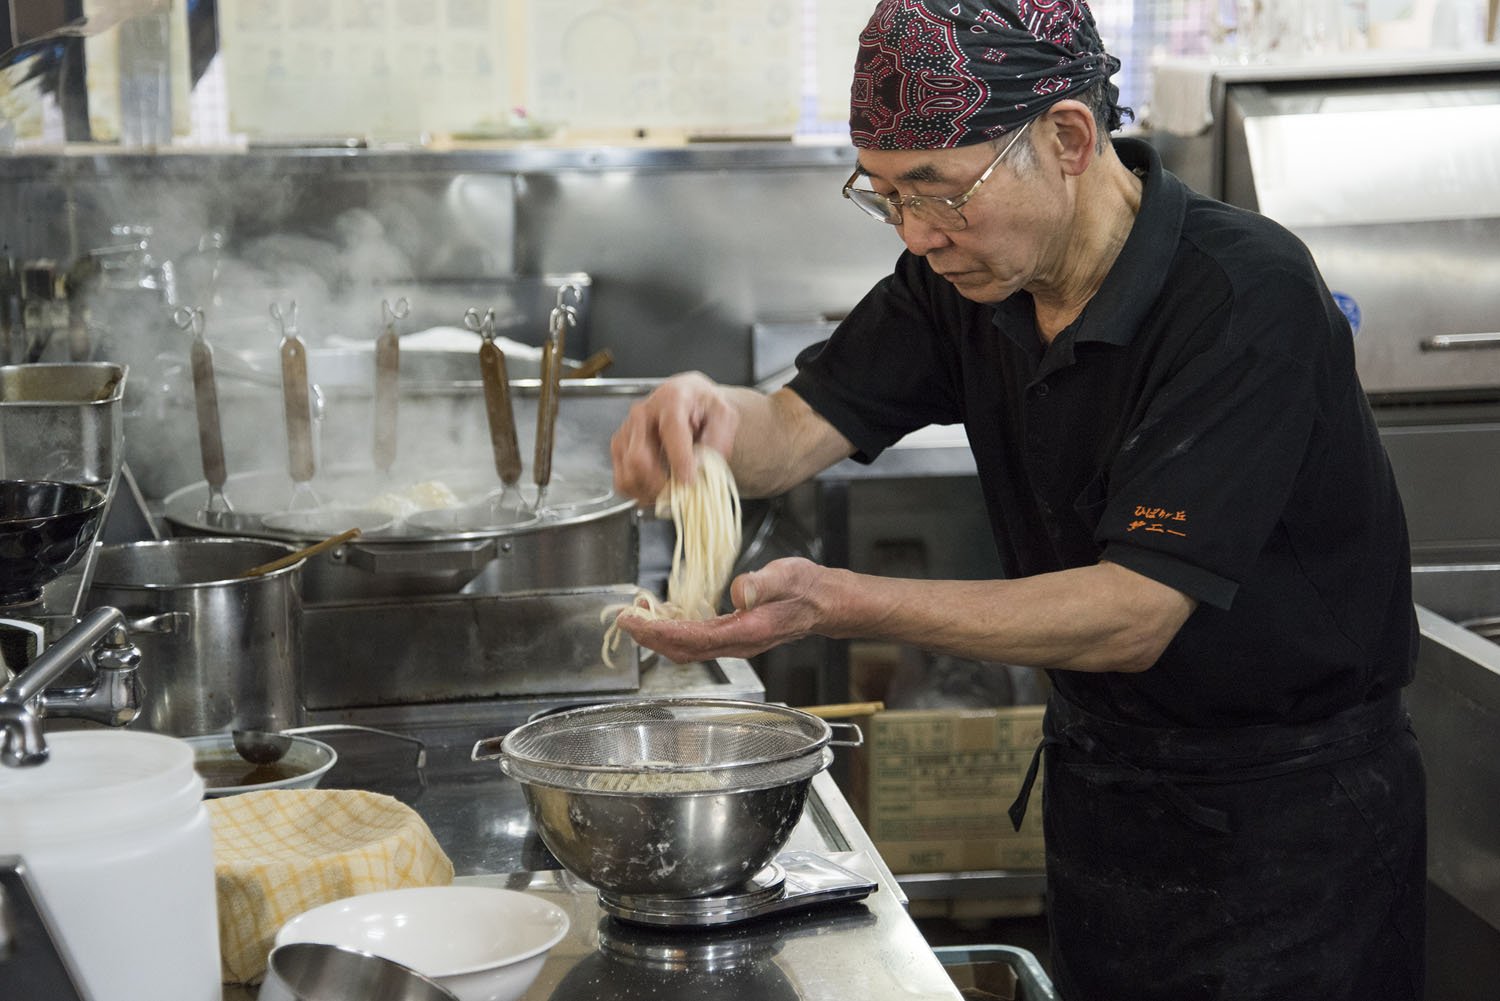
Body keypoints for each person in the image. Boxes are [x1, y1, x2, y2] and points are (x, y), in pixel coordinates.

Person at [608, 2, 1425, 998]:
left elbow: (1133, 615)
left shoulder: (1242, 297)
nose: (916, 233)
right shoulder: (963, 279)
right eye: (886, 194)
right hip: (1104, 785)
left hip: (1293, 820)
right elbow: (791, 430)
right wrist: (712, 419)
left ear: (1069, 139)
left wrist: (841, 600)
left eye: (939, 192)